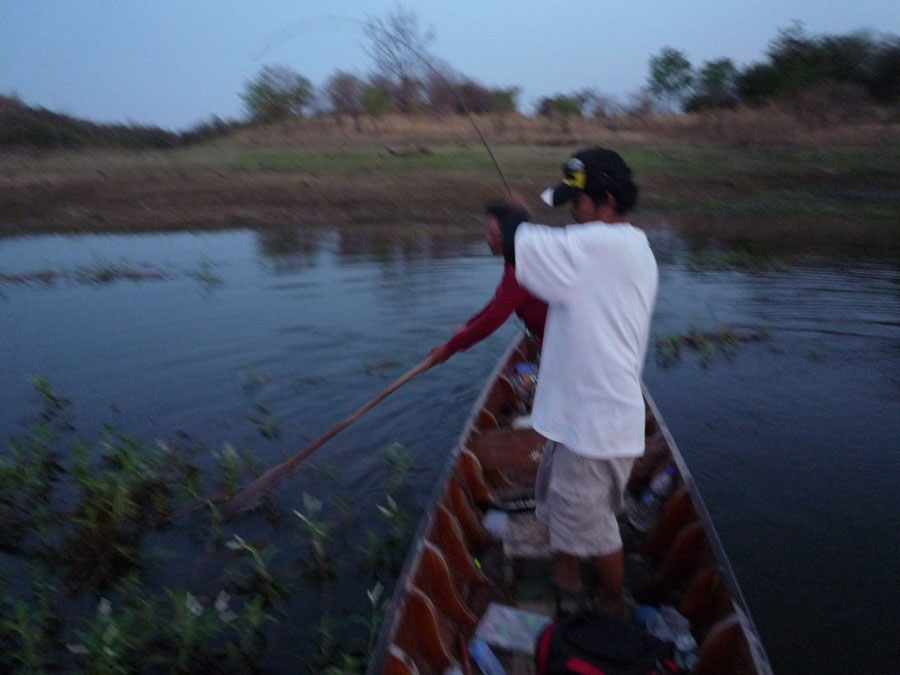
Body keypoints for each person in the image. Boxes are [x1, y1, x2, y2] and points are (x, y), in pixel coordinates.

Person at [510, 147, 659, 615]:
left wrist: (511, 213)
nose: (572, 215)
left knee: (594, 528)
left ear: (607, 200)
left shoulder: (601, 245)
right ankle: (567, 573)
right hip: (587, 421)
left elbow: (513, 241)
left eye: (578, 203)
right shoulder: (631, 246)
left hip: (594, 428)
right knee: (570, 509)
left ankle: (614, 604)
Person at [426, 203, 547, 367]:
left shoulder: (521, 270)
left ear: (509, 236)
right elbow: (497, 303)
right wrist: (468, 326)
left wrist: (449, 349)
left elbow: (493, 319)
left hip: (561, 345)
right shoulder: (516, 261)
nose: (487, 239)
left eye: (491, 233)